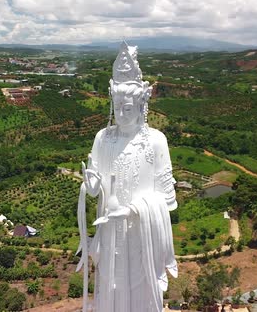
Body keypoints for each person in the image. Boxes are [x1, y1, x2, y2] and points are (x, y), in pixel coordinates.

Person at [76, 42, 178, 312]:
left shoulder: (156, 142)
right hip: (109, 234)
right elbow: (96, 186)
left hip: (140, 236)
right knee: (111, 287)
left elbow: (166, 202)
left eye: (128, 108)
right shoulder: (103, 137)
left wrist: (134, 209)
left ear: (142, 104)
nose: (121, 114)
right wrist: (91, 186)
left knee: (139, 291)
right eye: (117, 107)